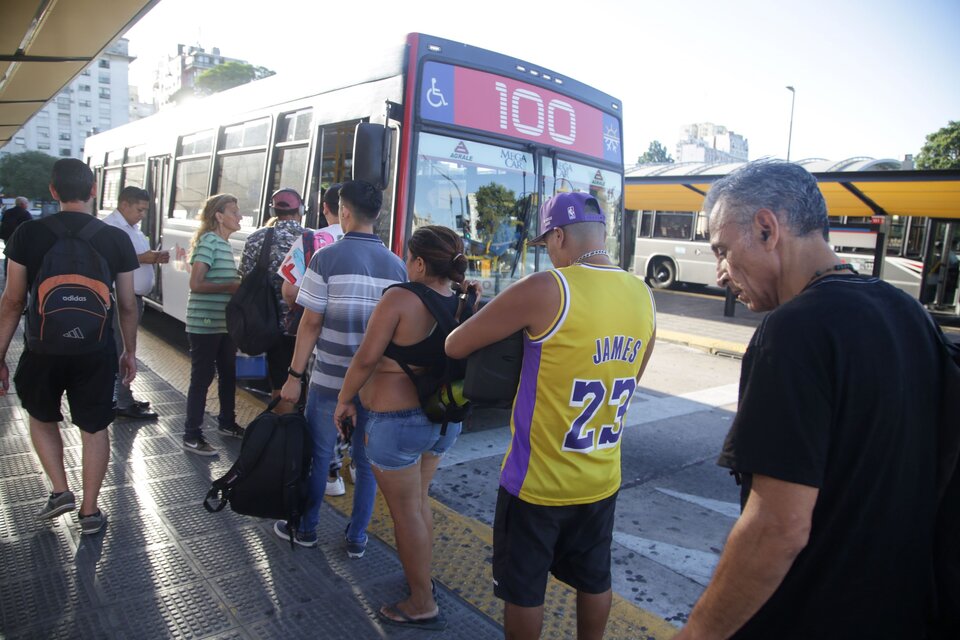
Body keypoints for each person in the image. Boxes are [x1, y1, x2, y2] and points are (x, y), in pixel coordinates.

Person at [673, 161, 945, 639]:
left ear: (765, 229)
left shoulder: (795, 332)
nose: (720, 273)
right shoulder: (909, 312)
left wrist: (698, 634)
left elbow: (777, 529)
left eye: (722, 251)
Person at [446, 192, 657, 640]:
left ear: (559, 235)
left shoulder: (549, 287)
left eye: (548, 243)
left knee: (525, 590)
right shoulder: (643, 294)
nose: (550, 253)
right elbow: (635, 373)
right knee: (595, 577)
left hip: (537, 482)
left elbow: (455, 345)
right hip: (601, 476)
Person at [334, 225, 473, 630]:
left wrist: (344, 399)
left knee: (406, 511)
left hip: (397, 424)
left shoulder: (400, 297)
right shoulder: (462, 301)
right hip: (443, 420)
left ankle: (421, 601)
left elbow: (365, 359)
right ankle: (421, 577)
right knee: (419, 502)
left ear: (418, 261)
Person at [0, 159, 139, 535]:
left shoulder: (27, 235)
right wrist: (129, 351)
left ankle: (60, 490)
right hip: (96, 351)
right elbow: (127, 303)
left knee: (42, 416)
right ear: (94, 191)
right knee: (95, 427)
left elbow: (12, 301)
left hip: (42, 348)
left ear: (53, 191)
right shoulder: (115, 238)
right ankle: (90, 512)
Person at [275, 180, 406, 552]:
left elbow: (311, 323)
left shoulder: (326, 258)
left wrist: (294, 377)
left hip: (329, 382)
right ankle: (356, 537)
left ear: (344, 212)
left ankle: (307, 529)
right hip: (373, 385)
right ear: (378, 214)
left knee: (319, 457)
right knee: (365, 466)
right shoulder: (396, 265)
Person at [277, 183, 348, 496]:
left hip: (320, 344)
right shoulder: (379, 248)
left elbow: (289, 291)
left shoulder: (312, 241)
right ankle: (352, 466)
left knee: (319, 408)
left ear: (326, 209)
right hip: (360, 349)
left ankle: (328, 474)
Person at [182, 194, 243, 456]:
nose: (239, 217)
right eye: (234, 212)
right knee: (202, 377)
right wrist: (230, 286)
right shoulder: (209, 243)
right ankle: (192, 434)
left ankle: (226, 422)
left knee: (228, 373)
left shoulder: (222, 244)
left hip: (221, 324)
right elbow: (196, 284)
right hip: (205, 324)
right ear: (219, 215)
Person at [104, 186, 169, 420]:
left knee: (126, 348)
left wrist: (153, 257)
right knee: (122, 349)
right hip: (122, 298)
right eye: (139, 210)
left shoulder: (133, 228)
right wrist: (145, 258)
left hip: (134, 297)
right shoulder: (111, 227)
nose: (142, 214)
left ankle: (125, 395)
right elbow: (112, 260)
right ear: (124, 205)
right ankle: (121, 402)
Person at [239, 188, 306, 414]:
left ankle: (281, 426)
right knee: (299, 377)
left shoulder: (256, 238)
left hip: (266, 321)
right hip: (301, 323)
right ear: (302, 210)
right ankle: (295, 428)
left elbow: (246, 278)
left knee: (279, 379)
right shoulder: (311, 238)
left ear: (272, 210)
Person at [1, 196, 33, 273]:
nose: (27, 205)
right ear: (22, 204)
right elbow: (30, 227)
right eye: (26, 203)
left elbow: (3, 223)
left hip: (7, 236)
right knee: (19, 255)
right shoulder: (25, 213)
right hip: (20, 237)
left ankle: (7, 271)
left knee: (8, 254)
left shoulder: (8, 212)